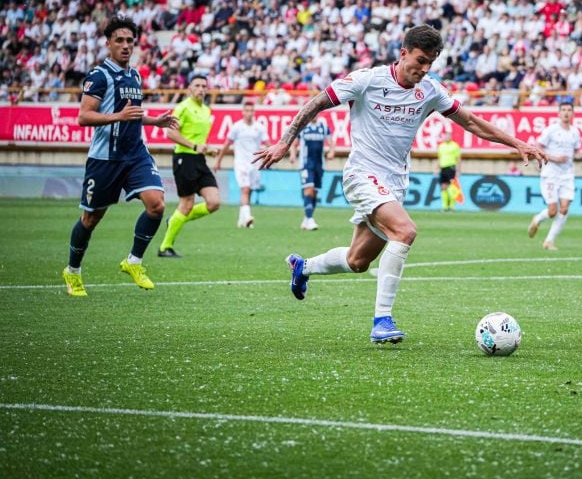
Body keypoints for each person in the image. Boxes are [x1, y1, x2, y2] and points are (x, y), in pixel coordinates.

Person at [254, 25, 546, 344]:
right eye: (420, 60)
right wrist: (285, 141)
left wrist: (517, 143)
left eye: (430, 63)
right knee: (405, 231)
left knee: (357, 261)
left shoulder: (430, 90)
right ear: (403, 52)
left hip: (394, 183)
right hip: (361, 174)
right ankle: (382, 321)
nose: (424, 69)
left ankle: (303, 267)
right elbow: (316, 103)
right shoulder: (367, 80)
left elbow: (471, 122)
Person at [61, 15, 178, 296]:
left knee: (157, 205)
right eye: (120, 41)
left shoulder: (134, 75)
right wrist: (118, 116)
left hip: (135, 154)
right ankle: (73, 271)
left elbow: (132, 115)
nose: (126, 46)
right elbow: (84, 117)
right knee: (90, 220)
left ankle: (133, 261)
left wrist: (154, 121)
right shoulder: (99, 76)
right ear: (108, 44)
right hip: (105, 159)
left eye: (130, 41)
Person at [157, 75, 220, 257]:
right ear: (189, 89)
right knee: (187, 203)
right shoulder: (182, 107)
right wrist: (193, 146)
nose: (201, 89)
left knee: (214, 202)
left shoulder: (206, 110)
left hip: (199, 160)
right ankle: (164, 247)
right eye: (197, 85)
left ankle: (175, 219)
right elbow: (170, 133)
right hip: (184, 158)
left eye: (204, 86)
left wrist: (207, 150)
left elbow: (198, 139)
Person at [527, 101, 582, 250]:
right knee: (552, 211)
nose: (566, 112)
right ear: (559, 113)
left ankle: (549, 241)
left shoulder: (575, 132)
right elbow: (537, 147)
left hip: (567, 175)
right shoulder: (551, 130)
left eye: (569, 110)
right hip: (551, 174)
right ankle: (538, 219)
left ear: (573, 113)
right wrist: (554, 158)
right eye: (564, 110)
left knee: (564, 209)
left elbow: (575, 153)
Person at [213, 100, 269, 228]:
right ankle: (248, 217)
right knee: (245, 189)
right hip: (241, 163)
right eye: (247, 110)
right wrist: (218, 160)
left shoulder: (259, 127)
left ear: (254, 112)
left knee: (250, 191)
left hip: (255, 164)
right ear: (243, 112)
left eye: (251, 111)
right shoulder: (237, 127)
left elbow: (267, 144)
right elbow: (227, 144)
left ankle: (241, 219)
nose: (249, 113)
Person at [288, 112, 335, 230]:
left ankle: (307, 218)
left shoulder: (323, 126)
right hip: (306, 164)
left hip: (319, 165)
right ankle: (310, 219)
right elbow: (294, 144)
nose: (314, 115)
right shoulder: (303, 126)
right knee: (308, 189)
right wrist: (293, 155)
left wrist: (331, 152)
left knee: (314, 192)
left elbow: (331, 143)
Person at [436, 129, 461, 212]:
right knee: (443, 187)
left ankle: (452, 206)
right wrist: (437, 168)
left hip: (451, 168)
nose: (447, 137)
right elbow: (439, 158)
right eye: (446, 136)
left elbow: (458, 159)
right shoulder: (441, 146)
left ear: (451, 137)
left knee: (451, 187)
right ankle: (445, 206)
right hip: (443, 168)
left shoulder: (455, 146)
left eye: (449, 136)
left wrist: (458, 171)